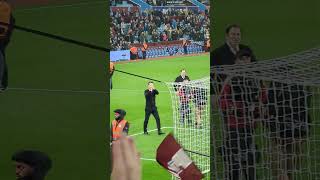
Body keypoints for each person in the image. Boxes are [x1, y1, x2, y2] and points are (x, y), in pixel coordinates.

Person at [218, 49, 267, 180]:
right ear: (236, 61)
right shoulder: (231, 79)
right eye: (242, 59)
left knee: (247, 158)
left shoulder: (255, 78)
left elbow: (263, 96)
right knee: (236, 158)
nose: (245, 61)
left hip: (250, 125)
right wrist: (233, 109)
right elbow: (222, 100)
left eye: (247, 58)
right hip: (234, 125)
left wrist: (259, 109)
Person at [267, 72, 310, 180]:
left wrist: (303, 133)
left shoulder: (300, 90)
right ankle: (282, 175)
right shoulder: (275, 88)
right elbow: (270, 110)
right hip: (279, 130)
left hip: (294, 130)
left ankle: (287, 175)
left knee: (293, 160)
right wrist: (274, 132)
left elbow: (304, 112)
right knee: (277, 160)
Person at [0, 0, 15, 91]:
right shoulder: (5, 6)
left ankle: (2, 83)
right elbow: (12, 20)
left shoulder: (3, 8)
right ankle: (3, 83)